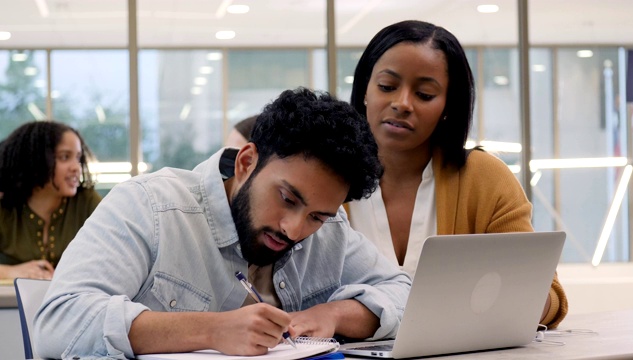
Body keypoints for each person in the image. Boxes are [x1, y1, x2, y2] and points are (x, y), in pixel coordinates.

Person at [34, 87, 411, 359]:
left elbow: (406, 292)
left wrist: (331, 314)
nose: (295, 230)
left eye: (316, 216)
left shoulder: (330, 231)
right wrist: (212, 329)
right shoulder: (150, 206)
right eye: (287, 199)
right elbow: (59, 322)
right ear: (247, 163)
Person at [348, 20, 568, 328]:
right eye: (387, 87)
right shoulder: (325, 177)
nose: (402, 104)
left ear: (448, 106)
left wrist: (524, 296)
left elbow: (551, 298)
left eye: (424, 94)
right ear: (364, 91)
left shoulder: (484, 179)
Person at [0, 121, 101, 280]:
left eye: (78, 158)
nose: (76, 167)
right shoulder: (4, 206)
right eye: (65, 157)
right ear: (35, 160)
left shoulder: (87, 202)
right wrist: (9, 272)